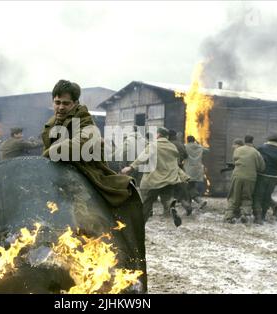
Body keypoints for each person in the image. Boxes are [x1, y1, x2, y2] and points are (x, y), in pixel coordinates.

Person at [42, 79, 134, 208]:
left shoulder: (85, 120)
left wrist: (48, 154)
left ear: (75, 103)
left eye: (66, 103)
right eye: (57, 102)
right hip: (57, 177)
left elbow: (83, 141)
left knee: (83, 217)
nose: (61, 107)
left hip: (85, 177)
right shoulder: (52, 123)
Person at [122, 127, 190, 227]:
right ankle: (171, 206)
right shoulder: (172, 147)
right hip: (169, 179)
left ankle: (140, 224)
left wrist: (131, 167)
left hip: (154, 180)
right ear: (167, 136)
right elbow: (176, 164)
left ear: (158, 135)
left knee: (147, 202)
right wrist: (183, 176)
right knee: (167, 198)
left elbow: (142, 158)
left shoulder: (153, 145)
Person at [224, 137, 265, 224]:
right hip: (250, 178)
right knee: (247, 197)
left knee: (234, 196)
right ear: (252, 142)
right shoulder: (256, 152)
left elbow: (234, 161)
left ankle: (229, 216)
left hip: (237, 176)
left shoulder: (238, 150)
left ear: (244, 141)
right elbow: (261, 167)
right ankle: (245, 214)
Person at [251, 134, 277, 224]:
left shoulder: (260, 148)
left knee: (257, 196)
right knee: (266, 196)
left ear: (267, 139)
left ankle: (258, 217)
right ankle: (263, 215)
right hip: (273, 178)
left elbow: (255, 160)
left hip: (262, 176)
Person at [183, 135, 209, 210]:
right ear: (194, 140)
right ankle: (189, 203)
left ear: (187, 140)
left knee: (188, 187)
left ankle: (199, 201)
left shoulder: (185, 146)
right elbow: (207, 150)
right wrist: (198, 144)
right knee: (191, 186)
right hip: (197, 170)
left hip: (188, 170)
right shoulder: (199, 147)